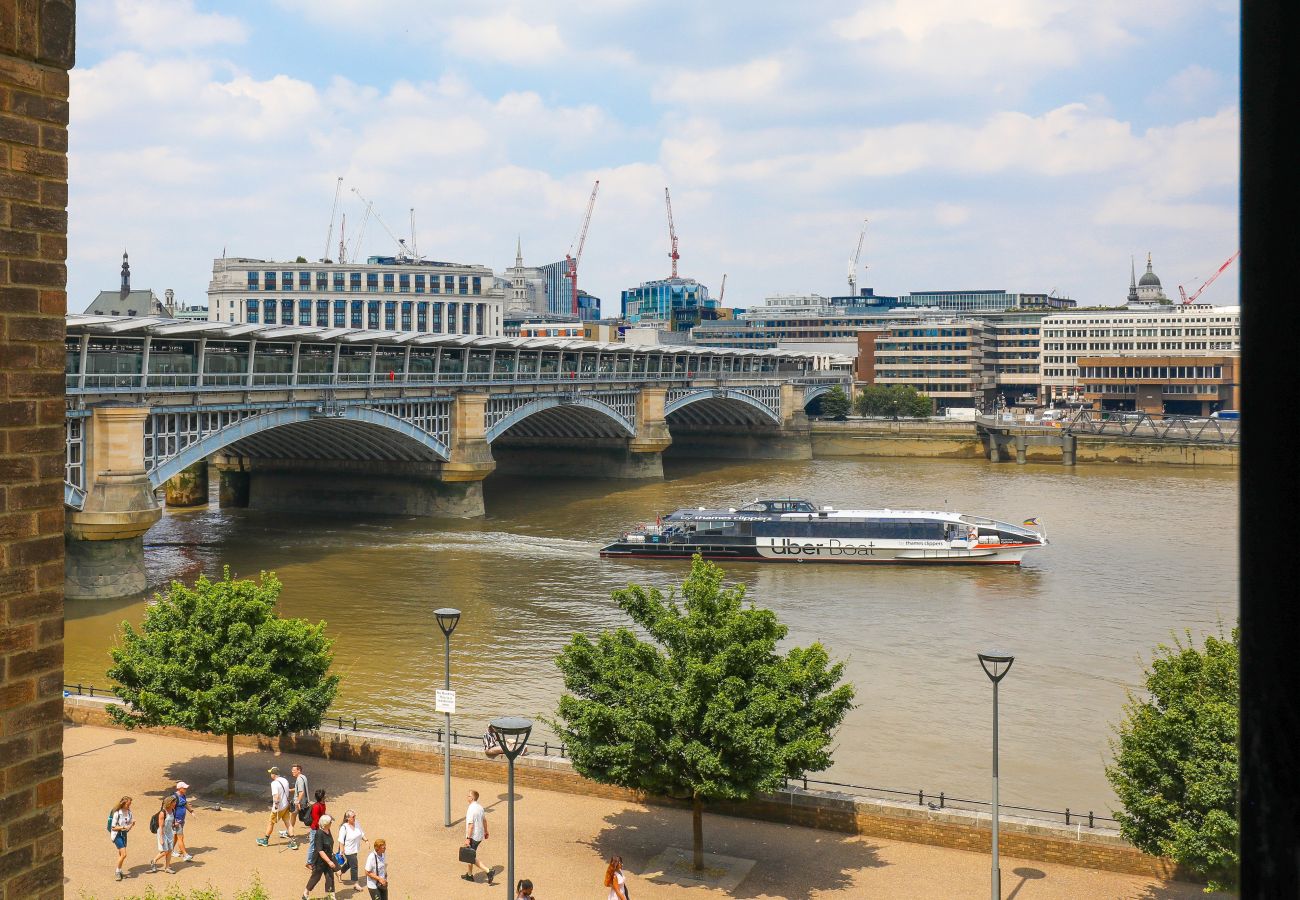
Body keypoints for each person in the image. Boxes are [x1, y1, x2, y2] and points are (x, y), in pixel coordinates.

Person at [302, 813, 339, 900]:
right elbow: (320, 850)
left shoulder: (328, 830)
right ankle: (305, 893)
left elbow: (330, 844)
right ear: (326, 824)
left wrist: (331, 859)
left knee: (330, 877)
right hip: (319, 861)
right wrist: (329, 861)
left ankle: (331, 896)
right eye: (330, 822)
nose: (331, 823)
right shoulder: (319, 834)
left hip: (328, 857)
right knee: (316, 877)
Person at [257, 766, 296, 848]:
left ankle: (265, 840)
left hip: (279, 808)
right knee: (288, 823)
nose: (270, 774)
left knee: (271, 823)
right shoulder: (285, 780)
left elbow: (276, 797)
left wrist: (276, 806)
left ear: (274, 774)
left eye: (271, 773)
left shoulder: (274, 784)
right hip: (286, 805)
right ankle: (293, 842)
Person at [462, 789, 492, 884]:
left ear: (472, 798)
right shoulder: (480, 807)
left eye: (468, 796)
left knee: (470, 856)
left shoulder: (471, 809)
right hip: (479, 836)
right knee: (469, 853)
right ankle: (469, 875)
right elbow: (484, 821)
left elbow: (471, 825)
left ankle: (488, 871)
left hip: (473, 837)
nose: (467, 797)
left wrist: (467, 838)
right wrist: (486, 831)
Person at [336, 810, 367, 887]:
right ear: (348, 818)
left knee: (350, 864)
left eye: (355, 816)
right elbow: (341, 840)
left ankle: (339, 872)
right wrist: (342, 850)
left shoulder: (357, 823)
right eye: (353, 817)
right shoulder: (344, 827)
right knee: (354, 865)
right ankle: (356, 883)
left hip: (355, 848)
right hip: (348, 850)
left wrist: (366, 840)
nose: (354, 818)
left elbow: (361, 832)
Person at [149, 795, 178, 875]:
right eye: (174, 802)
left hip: (169, 832)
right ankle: (154, 860)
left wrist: (175, 824)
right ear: (169, 803)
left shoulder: (173, 810)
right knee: (165, 851)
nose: (175, 804)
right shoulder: (162, 813)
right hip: (162, 833)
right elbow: (161, 827)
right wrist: (161, 838)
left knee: (170, 850)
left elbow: (171, 822)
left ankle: (167, 868)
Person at [108, 796, 134, 881]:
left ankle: (120, 870)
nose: (129, 805)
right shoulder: (117, 813)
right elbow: (113, 827)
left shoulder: (129, 813)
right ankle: (117, 872)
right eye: (128, 804)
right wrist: (123, 827)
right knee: (124, 854)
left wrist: (131, 825)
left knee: (121, 854)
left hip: (124, 834)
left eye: (130, 804)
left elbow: (128, 827)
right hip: (117, 835)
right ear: (123, 803)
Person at [171, 781, 194, 862]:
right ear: (179, 788)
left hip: (181, 820)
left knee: (176, 837)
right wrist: (174, 821)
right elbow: (170, 810)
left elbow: (185, 803)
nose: (185, 789)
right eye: (184, 788)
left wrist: (191, 811)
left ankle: (171, 850)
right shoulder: (174, 797)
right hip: (177, 821)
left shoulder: (183, 795)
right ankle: (185, 855)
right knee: (180, 837)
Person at [305, 788, 327, 868]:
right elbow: (316, 819)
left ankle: (318, 860)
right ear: (322, 797)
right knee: (313, 846)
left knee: (321, 845)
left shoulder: (323, 804)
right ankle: (309, 863)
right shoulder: (316, 806)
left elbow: (323, 815)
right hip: (316, 829)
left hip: (321, 828)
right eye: (324, 795)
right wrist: (322, 828)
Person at [291, 764, 311, 837]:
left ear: (298, 770)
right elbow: (299, 788)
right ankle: (290, 829)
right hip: (305, 801)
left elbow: (301, 792)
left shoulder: (299, 779)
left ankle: (290, 830)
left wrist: (298, 802)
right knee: (304, 817)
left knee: (295, 815)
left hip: (300, 802)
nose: (292, 771)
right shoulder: (303, 777)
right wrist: (290, 790)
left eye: (294, 770)